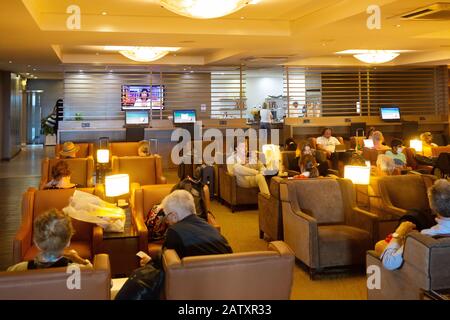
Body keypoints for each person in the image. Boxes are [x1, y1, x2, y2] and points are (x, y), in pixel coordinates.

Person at [115, 190, 232, 300]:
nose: (166, 221)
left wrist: (149, 262)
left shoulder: (174, 231)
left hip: (198, 285)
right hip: (228, 280)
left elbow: (165, 262)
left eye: (166, 216)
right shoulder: (208, 226)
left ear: (174, 215)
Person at [377, 179, 450, 271]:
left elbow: (389, 263)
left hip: (423, 280)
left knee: (380, 245)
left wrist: (398, 234)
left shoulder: (425, 237)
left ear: (433, 207)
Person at [7, 209, 92, 271]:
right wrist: (79, 259)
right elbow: (92, 272)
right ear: (68, 242)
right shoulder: (77, 270)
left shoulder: (17, 269)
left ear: (36, 242)